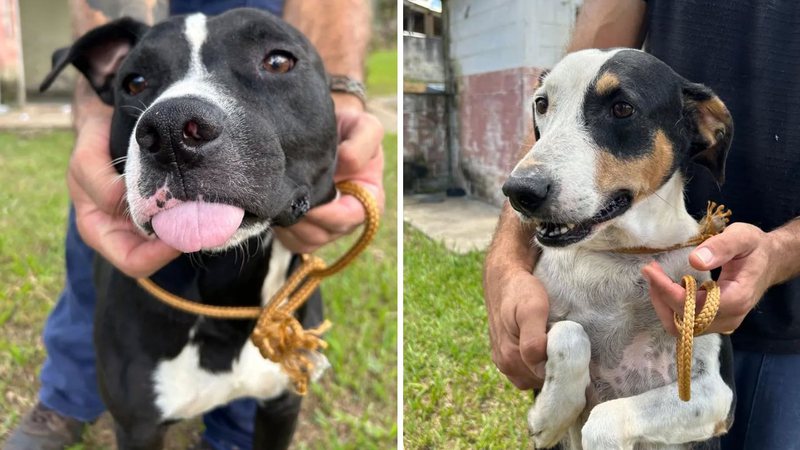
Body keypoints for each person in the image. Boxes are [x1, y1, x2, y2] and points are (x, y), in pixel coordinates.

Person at [5, 0, 385, 449]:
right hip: (143, 293)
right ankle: (70, 394)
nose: (179, 127)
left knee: (273, 405)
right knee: (100, 253)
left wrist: (342, 89)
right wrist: (91, 113)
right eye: (138, 81)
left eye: (275, 62)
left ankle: (234, 434)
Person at [483, 1, 800, 448]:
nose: (527, 179)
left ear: (702, 130)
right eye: (544, 105)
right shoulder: (562, 258)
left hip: (788, 327)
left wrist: (780, 251)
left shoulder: (690, 267)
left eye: (620, 111)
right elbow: (590, 51)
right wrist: (508, 263)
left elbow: (712, 405)